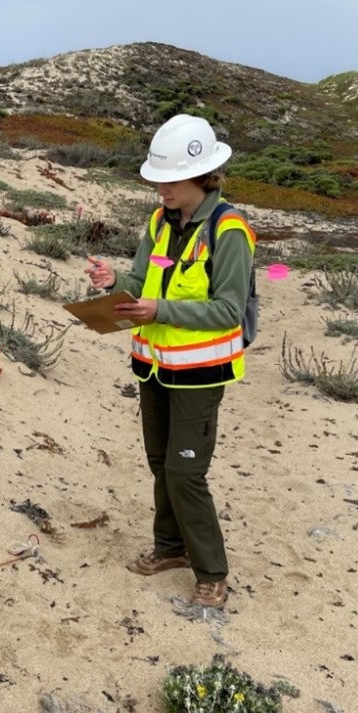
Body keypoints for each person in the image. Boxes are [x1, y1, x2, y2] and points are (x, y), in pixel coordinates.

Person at [84, 113, 255, 609]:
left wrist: (159, 309)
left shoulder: (230, 231)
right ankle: (169, 549)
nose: (160, 189)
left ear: (203, 176)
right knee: (161, 463)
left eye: (169, 180)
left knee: (186, 472)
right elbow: (141, 281)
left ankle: (211, 571)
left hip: (200, 375)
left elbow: (227, 309)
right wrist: (114, 283)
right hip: (153, 366)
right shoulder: (159, 222)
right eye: (156, 180)